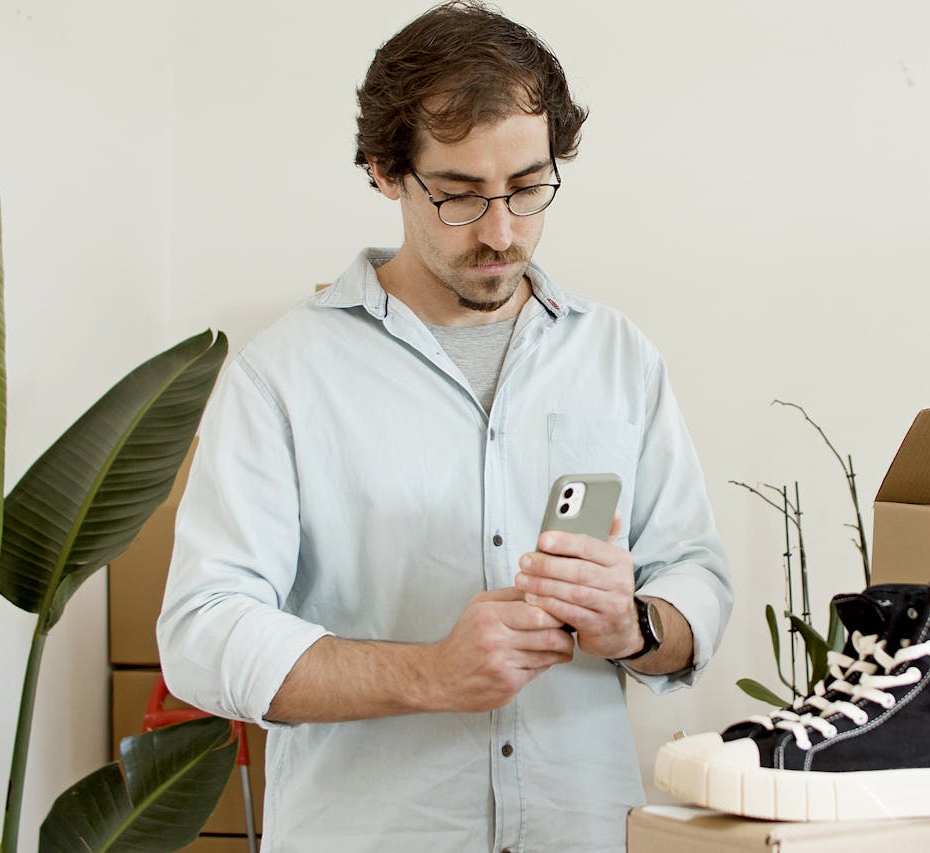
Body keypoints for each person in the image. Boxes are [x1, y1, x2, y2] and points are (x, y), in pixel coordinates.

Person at [157, 2, 733, 851]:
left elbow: (699, 579)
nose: (502, 233)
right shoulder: (283, 374)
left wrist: (634, 627)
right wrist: (429, 672)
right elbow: (202, 632)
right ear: (385, 172)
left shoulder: (619, 356)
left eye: (528, 188)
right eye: (461, 196)